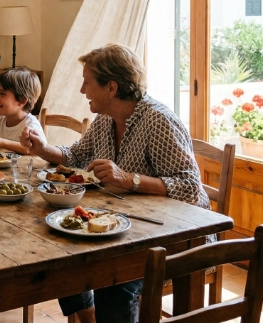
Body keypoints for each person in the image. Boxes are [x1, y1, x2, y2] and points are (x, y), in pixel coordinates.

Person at [21, 44, 210, 323]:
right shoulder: (104, 120)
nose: (82, 90)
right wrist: (41, 148)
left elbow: (190, 187)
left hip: (176, 237)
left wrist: (128, 179)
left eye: (87, 82)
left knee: (113, 284)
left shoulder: (159, 121)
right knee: (61, 258)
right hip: (126, 228)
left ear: (111, 87)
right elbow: (75, 156)